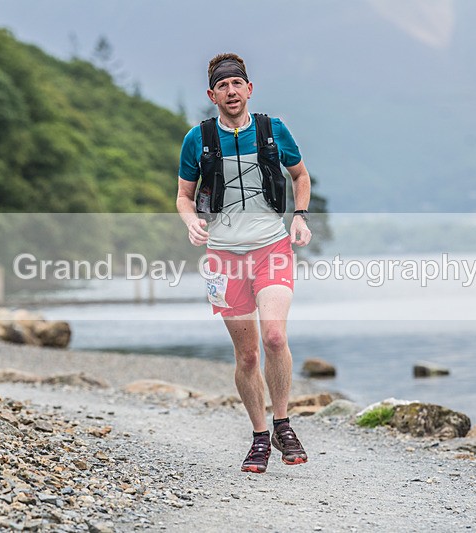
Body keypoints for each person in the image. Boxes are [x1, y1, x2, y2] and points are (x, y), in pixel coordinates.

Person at [176, 53, 313, 474]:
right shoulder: (197, 139)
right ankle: (259, 437)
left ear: (249, 89)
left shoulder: (274, 131)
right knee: (248, 356)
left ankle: (283, 423)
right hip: (223, 256)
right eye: (223, 86)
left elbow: (300, 177)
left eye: (238, 84)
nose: (231, 92)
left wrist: (300, 217)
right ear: (212, 94)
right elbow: (183, 195)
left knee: (274, 336)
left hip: (272, 246)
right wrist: (191, 222)